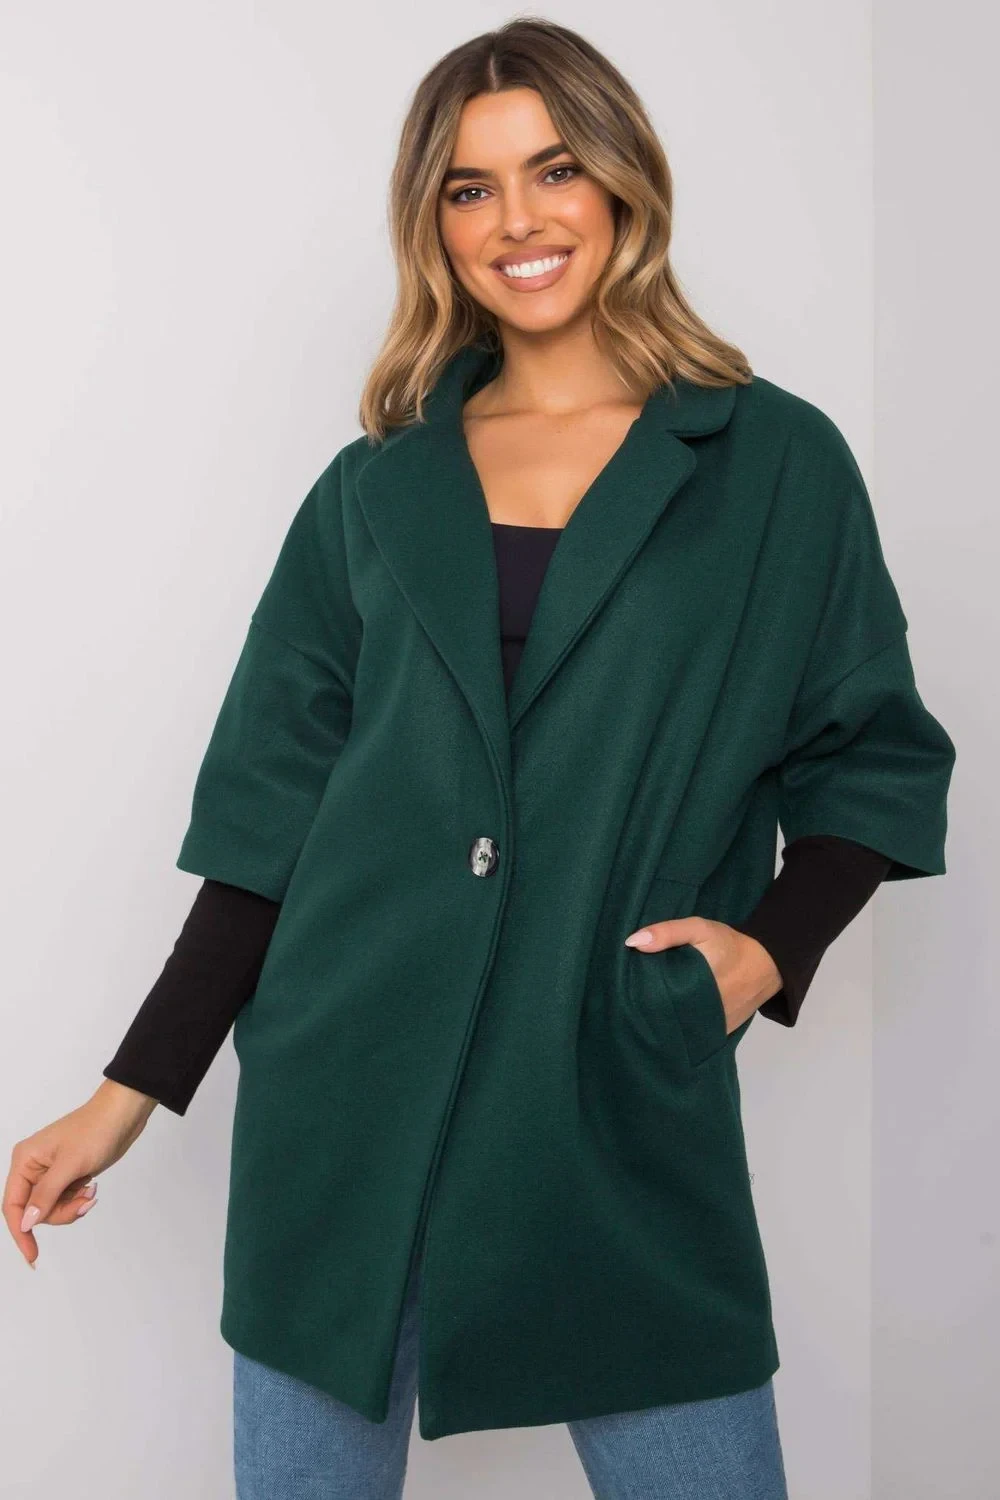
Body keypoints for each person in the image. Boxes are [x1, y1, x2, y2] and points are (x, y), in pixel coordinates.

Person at [4, 18, 955, 1499]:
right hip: (342, 1102)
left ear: (623, 182)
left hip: (607, 1093)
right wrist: (125, 1095)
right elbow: (271, 816)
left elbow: (873, 755)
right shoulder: (375, 488)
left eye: (554, 169)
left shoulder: (773, 465)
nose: (517, 219)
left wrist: (766, 953)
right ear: (433, 223)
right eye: (469, 186)